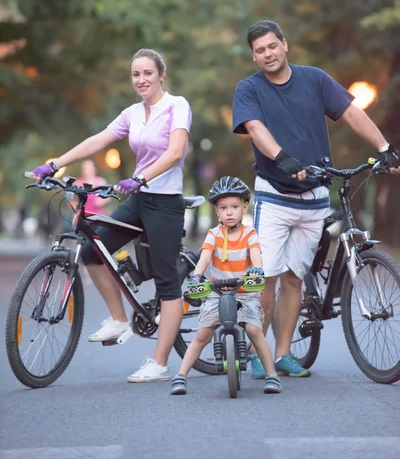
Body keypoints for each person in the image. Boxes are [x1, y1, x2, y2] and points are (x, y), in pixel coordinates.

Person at [232, 20, 400, 379]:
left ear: (285, 45)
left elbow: (351, 112)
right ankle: (257, 349)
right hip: (274, 196)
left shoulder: (315, 79)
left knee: (294, 277)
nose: (268, 54)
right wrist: (281, 158)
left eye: (272, 46)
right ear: (253, 55)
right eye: (260, 50)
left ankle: (281, 355)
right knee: (268, 277)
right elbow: (256, 129)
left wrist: (384, 148)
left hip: (314, 197)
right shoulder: (249, 89)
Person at [30, 48, 192, 383]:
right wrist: (56, 164)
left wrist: (141, 177)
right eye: (135, 74)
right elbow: (99, 139)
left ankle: (160, 363)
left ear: (161, 74)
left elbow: (175, 152)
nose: (141, 79)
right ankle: (119, 318)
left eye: (148, 73)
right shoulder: (133, 113)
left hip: (164, 202)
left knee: (167, 283)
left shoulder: (178, 106)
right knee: (92, 250)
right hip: (139, 199)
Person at [171, 176, 282, 395]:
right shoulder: (214, 234)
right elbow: (204, 256)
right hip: (217, 292)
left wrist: (257, 269)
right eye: (223, 208)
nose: (229, 212)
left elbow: (256, 254)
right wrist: (197, 274)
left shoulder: (249, 233)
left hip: (245, 292)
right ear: (216, 211)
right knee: (202, 333)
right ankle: (180, 375)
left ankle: (272, 374)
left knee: (253, 330)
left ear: (244, 206)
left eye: (234, 206)